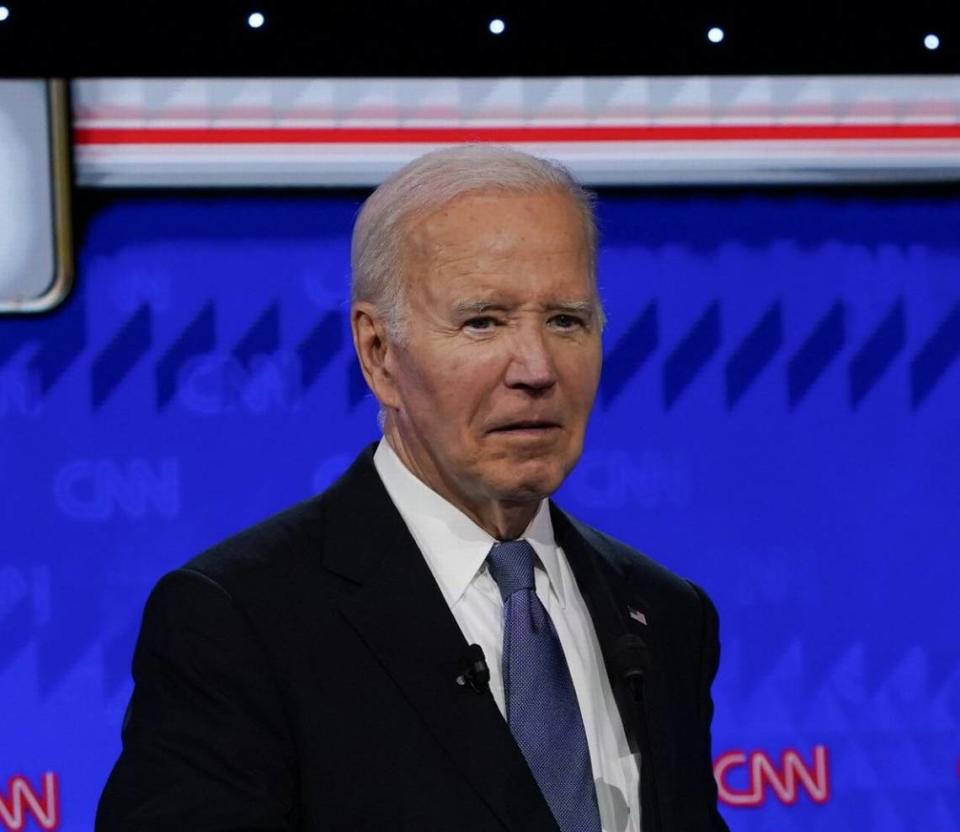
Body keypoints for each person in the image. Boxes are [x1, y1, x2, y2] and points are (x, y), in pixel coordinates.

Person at [97, 145, 729, 832]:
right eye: (483, 321)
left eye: (566, 320)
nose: (537, 368)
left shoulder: (663, 615)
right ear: (378, 354)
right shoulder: (240, 622)